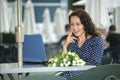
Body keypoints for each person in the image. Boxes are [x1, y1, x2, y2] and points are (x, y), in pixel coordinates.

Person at [61, 9, 104, 79]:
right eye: (72, 24)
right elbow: (66, 63)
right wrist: (65, 47)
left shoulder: (96, 41)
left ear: (85, 24)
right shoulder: (72, 42)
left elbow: (94, 64)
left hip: (90, 75)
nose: (74, 28)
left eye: (78, 24)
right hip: (72, 74)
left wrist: (73, 67)